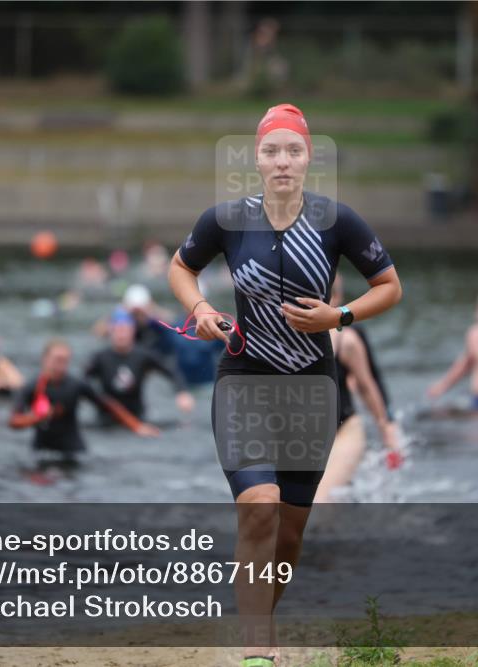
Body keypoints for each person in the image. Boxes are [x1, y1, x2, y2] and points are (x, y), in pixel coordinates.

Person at [167, 103, 402, 666]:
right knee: (259, 509)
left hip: (310, 388)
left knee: (290, 536)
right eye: (272, 151)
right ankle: (258, 651)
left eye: (292, 151)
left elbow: (389, 287)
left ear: (308, 158)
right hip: (245, 378)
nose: (282, 161)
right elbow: (180, 268)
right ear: (257, 158)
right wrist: (199, 308)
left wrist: (338, 317)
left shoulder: (337, 221)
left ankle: (254, 618)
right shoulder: (224, 221)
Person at [314, 275, 403, 503]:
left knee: (319, 501)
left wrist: (386, 429)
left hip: (345, 432)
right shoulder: (287, 337)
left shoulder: (348, 340)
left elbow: (367, 386)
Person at [9, 339, 158, 467]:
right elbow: (14, 422)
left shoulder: (76, 385)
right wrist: (36, 417)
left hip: (73, 451)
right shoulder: (31, 387)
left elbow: (107, 404)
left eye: (65, 360)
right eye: (57, 360)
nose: (61, 365)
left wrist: (136, 426)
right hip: (41, 451)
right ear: (45, 359)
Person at [84, 308, 195, 423]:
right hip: (106, 418)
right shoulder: (100, 358)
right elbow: (82, 381)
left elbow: (172, 371)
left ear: (133, 331)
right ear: (111, 331)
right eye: (118, 329)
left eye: (125, 330)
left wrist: (182, 392)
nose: (121, 334)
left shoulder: (143, 356)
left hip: (138, 417)